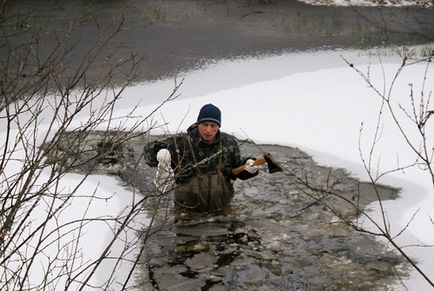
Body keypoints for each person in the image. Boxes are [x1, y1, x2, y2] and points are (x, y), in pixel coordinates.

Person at [144, 103, 259, 214]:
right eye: (205, 125)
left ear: (218, 126)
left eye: (213, 126)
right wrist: (159, 153)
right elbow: (149, 158)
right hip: (187, 214)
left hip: (222, 212)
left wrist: (249, 168)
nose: (208, 130)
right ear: (198, 124)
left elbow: (236, 172)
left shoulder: (228, 143)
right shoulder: (181, 143)